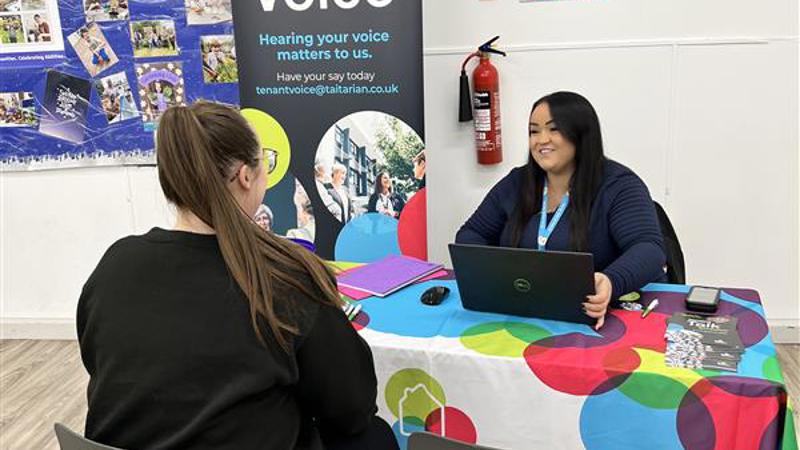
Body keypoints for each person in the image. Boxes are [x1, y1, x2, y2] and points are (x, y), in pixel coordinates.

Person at [77, 101, 398, 450]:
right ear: (246, 176)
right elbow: (352, 407)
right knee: (372, 435)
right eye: (265, 163)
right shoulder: (284, 276)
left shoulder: (115, 265)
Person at [455, 91, 666, 329]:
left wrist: (611, 281)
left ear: (581, 134)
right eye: (534, 131)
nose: (541, 140)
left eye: (553, 129)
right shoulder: (517, 183)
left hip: (601, 317)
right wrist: (496, 274)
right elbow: (471, 234)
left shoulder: (619, 185)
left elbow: (649, 249)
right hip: (528, 313)